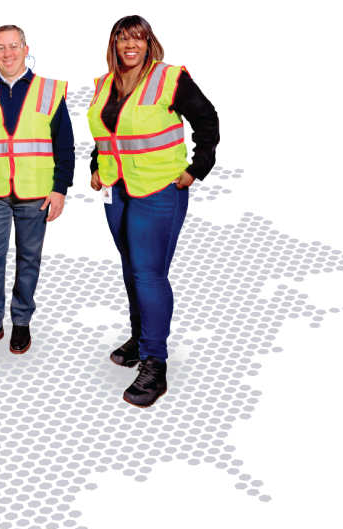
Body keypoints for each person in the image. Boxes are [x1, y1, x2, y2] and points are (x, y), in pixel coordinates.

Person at [87, 15, 220, 407]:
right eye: (123, 38)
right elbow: (107, 133)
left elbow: (207, 119)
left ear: (149, 42)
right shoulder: (104, 83)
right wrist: (96, 165)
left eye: (138, 37)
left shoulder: (169, 78)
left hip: (159, 188)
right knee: (131, 268)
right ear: (113, 43)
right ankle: (140, 337)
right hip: (118, 189)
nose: (131, 44)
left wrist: (197, 168)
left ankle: (155, 363)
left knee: (148, 274)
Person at [0, 24, 75, 357]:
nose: (7, 53)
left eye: (13, 46)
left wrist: (60, 188)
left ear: (26, 49)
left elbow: (64, 144)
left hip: (36, 191)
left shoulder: (49, 90)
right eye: (1, 47)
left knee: (29, 260)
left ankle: (21, 322)